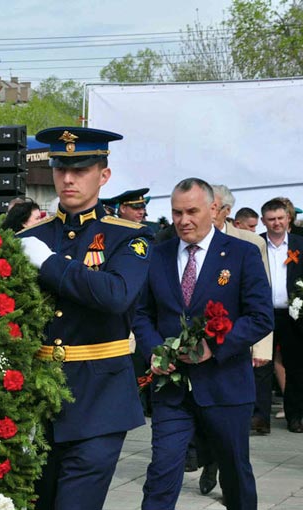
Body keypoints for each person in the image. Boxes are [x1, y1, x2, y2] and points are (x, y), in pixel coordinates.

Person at [18, 127, 153, 510]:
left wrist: (49, 264)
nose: (69, 178)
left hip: (100, 399)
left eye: (81, 169)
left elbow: (116, 295)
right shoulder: (37, 234)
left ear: (103, 175)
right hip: (40, 398)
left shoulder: (129, 237)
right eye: (61, 169)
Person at [134, 178, 273, 510]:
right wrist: (155, 349)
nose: (184, 220)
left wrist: (215, 347)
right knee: (161, 473)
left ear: (213, 209)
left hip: (225, 386)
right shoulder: (158, 253)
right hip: (173, 390)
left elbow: (260, 316)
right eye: (177, 212)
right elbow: (141, 314)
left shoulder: (243, 254)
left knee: (235, 474)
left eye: (192, 211)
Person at [261, 198, 303, 433]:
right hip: (263, 314)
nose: (276, 223)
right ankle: (259, 418)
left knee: (295, 366)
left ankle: (296, 416)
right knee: (260, 366)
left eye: (280, 218)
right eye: (271, 219)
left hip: (292, 315)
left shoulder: (299, 244)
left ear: (288, 218)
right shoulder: (256, 244)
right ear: (263, 221)